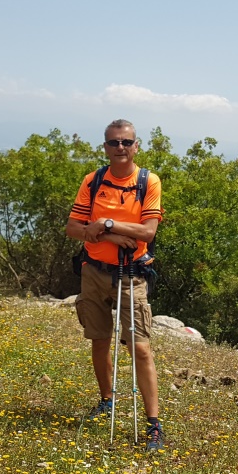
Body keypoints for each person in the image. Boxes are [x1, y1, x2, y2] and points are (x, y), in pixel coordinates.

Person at [65, 119, 165, 452]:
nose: (120, 148)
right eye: (113, 143)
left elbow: (148, 232)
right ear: (105, 147)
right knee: (99, 340)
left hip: (130, 275)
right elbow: (73, 228)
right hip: (93, 272)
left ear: (136, 146)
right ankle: (106, 400)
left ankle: (153, 424)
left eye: (126, 142)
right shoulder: (93, 180)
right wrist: (109, 236)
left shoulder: (148, 182)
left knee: (140, 347)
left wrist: (105, 223)